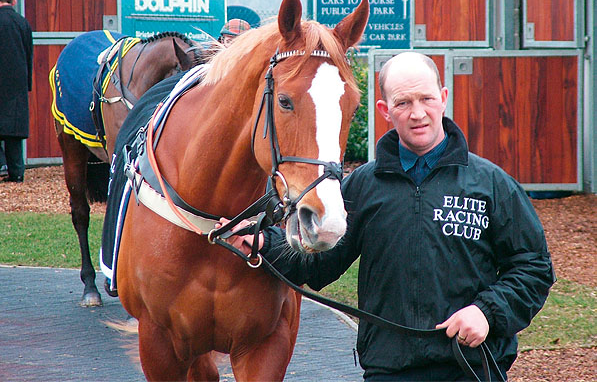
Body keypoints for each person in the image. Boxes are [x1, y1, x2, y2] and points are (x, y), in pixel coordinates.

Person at [226, 52, 555, 380]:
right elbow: (318, 264)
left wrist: (486, 312)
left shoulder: (491, 184)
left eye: (426, 99)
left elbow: (534, 267)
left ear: (443, 99)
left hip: (469, 366)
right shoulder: (364, 186)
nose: (417, 113)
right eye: (403, 103)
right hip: (389, 369)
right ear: (385, 111)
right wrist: (261, 242)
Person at [0, 0, 33, 183]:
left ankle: (1, 165)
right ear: (14, 1)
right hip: (17, 83)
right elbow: (29, 55)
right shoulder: (22, 23)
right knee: (14, 131)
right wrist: (26, 83)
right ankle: (17, 172)